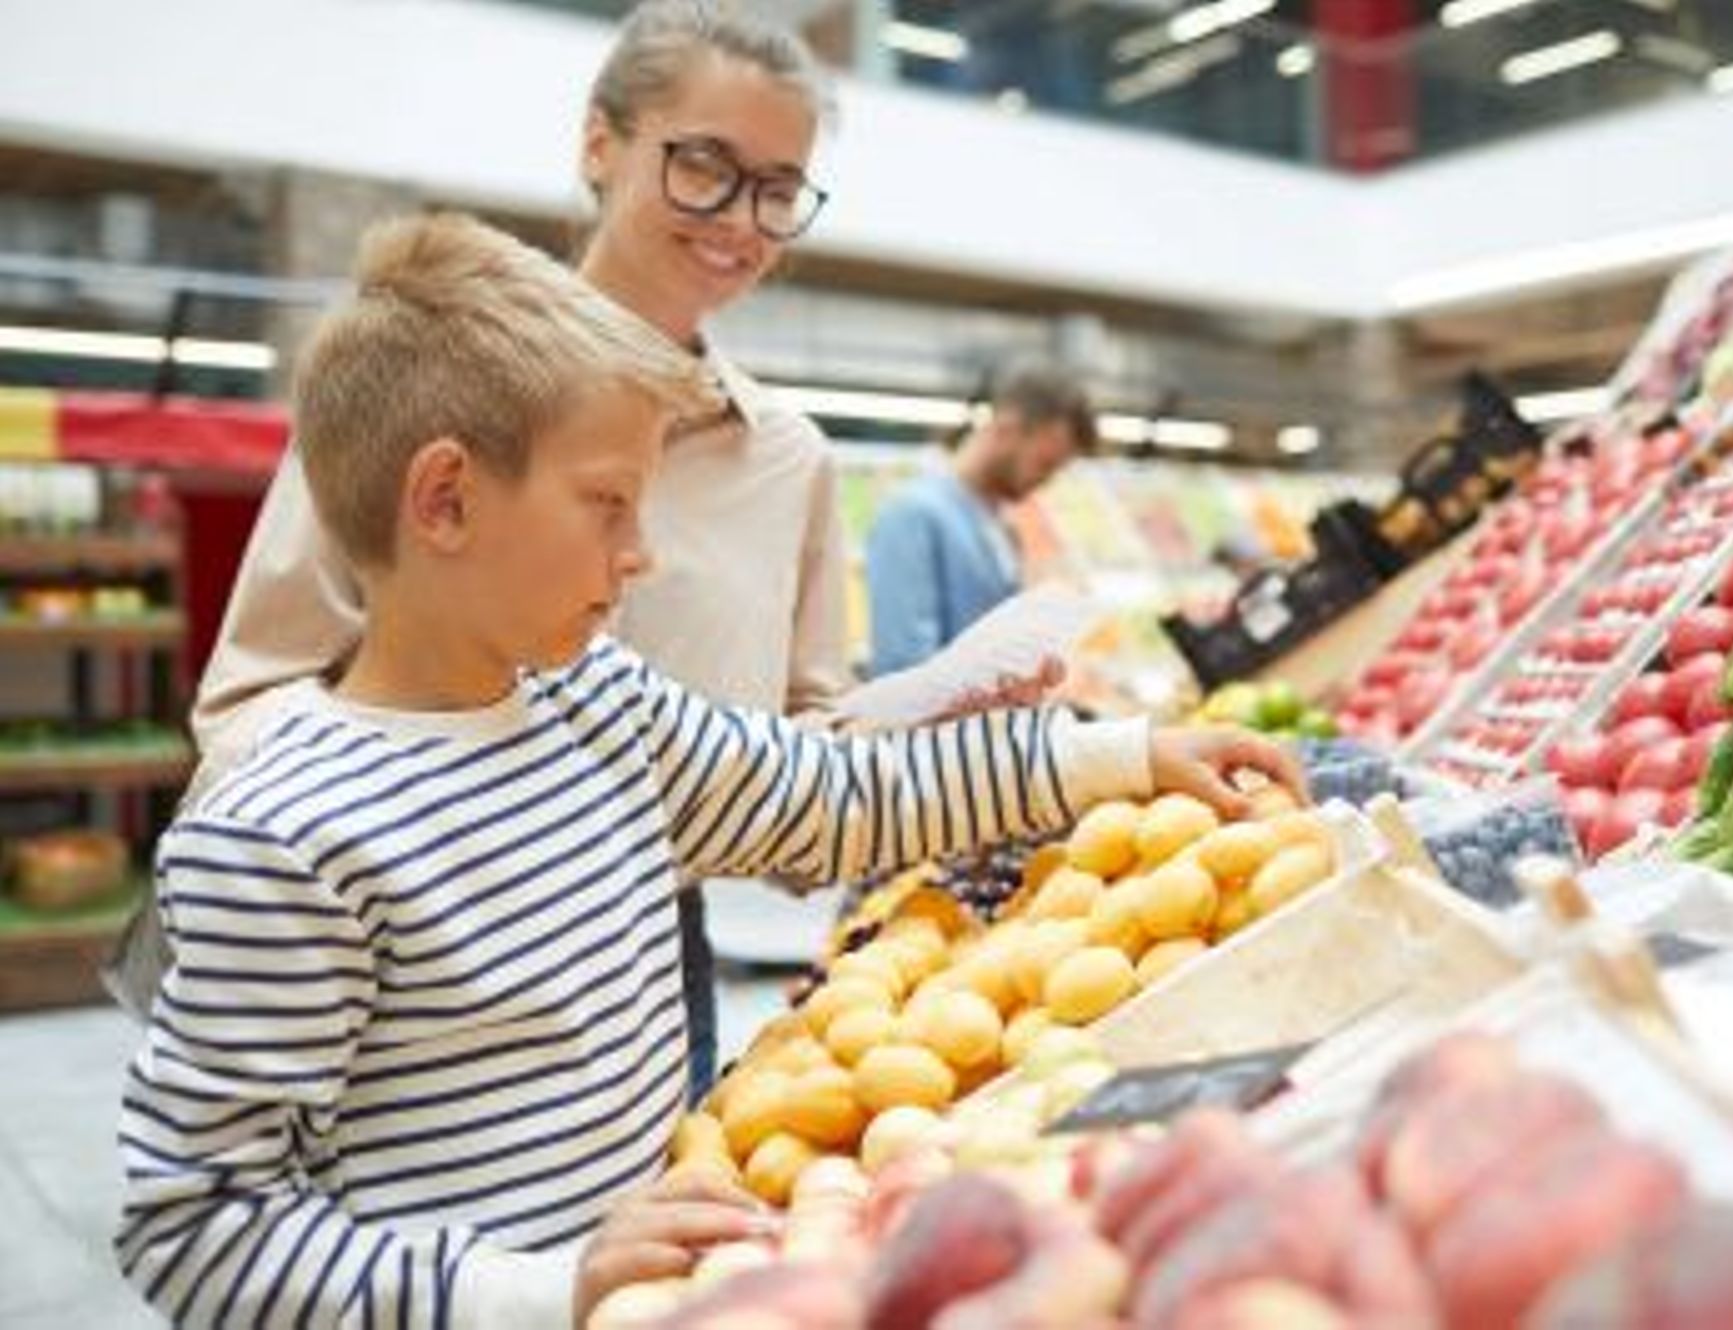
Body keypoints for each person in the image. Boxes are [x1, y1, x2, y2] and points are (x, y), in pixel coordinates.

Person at [115, 213, 1301, 1330]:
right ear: (444, 499)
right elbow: (193, 1224)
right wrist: (536, 1288)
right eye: (608, 505)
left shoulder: (595, 701)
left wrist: (1116, 754)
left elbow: (829, 798)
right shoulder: (280, 836)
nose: (638, 556)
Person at [123, 2, 889, 1096]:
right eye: (705, 165)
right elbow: (253, 700)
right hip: (413, 949)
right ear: (600, 143)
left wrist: (941, 740)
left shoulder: (786, 461)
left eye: (777, 188)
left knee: (642, 1256)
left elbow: (802, 759)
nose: (740, 220)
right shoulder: (428, 375)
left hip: (650, 952)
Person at [864, 361, 1095, 674]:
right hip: (936, 723)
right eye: (1045, 463)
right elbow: (902, 665)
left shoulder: (1000, 525)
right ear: (1007, 427)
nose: (1046, 482)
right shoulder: (912, 514)